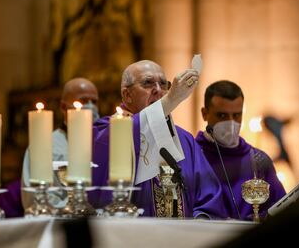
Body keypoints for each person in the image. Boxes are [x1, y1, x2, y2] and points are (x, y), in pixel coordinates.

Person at [90, 60, 227, 219]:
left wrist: (200, 223)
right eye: (147, 83)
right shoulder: (107, 132)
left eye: (163, 84)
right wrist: (170, 100)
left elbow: (209, 197)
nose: (158, 90)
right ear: (127, 95)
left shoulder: (185, 141)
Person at [195, 80, 286, 220]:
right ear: (204, 114)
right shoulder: (192, 155)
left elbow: (279, 208)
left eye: (236, 115)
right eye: (222, 116)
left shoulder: (259, 161)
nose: (231, 123)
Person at [21, 77, 99, 210]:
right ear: (63, 107)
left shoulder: (104, 143)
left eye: (94, 101)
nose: (91, 106)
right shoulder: (45, 145)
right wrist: (75, 206)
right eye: (83, 101)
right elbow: (34, 197)